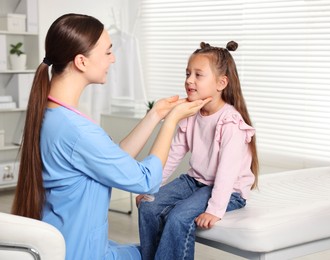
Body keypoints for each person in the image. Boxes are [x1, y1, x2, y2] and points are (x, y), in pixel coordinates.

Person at [11, 13, 210, 260]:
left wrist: (154, 115)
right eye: (107, 52)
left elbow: (112, 159)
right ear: (81, 61)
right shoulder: (77, 131)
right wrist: (171, 122)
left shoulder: (51, 115)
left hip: (64, 246)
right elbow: (146, 180)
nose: (113, 59)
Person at [137, 41, 259, 260]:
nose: (189, 80)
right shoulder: (192, 114)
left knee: (178, 217)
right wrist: (151, 187)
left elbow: (227, 172)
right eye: (187, 74)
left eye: (198, 75)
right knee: (148, 206)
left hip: (228, 190)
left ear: (221, 83)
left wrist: (215, 209)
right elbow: (172, 155)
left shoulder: (230, 122)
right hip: (195, 181)